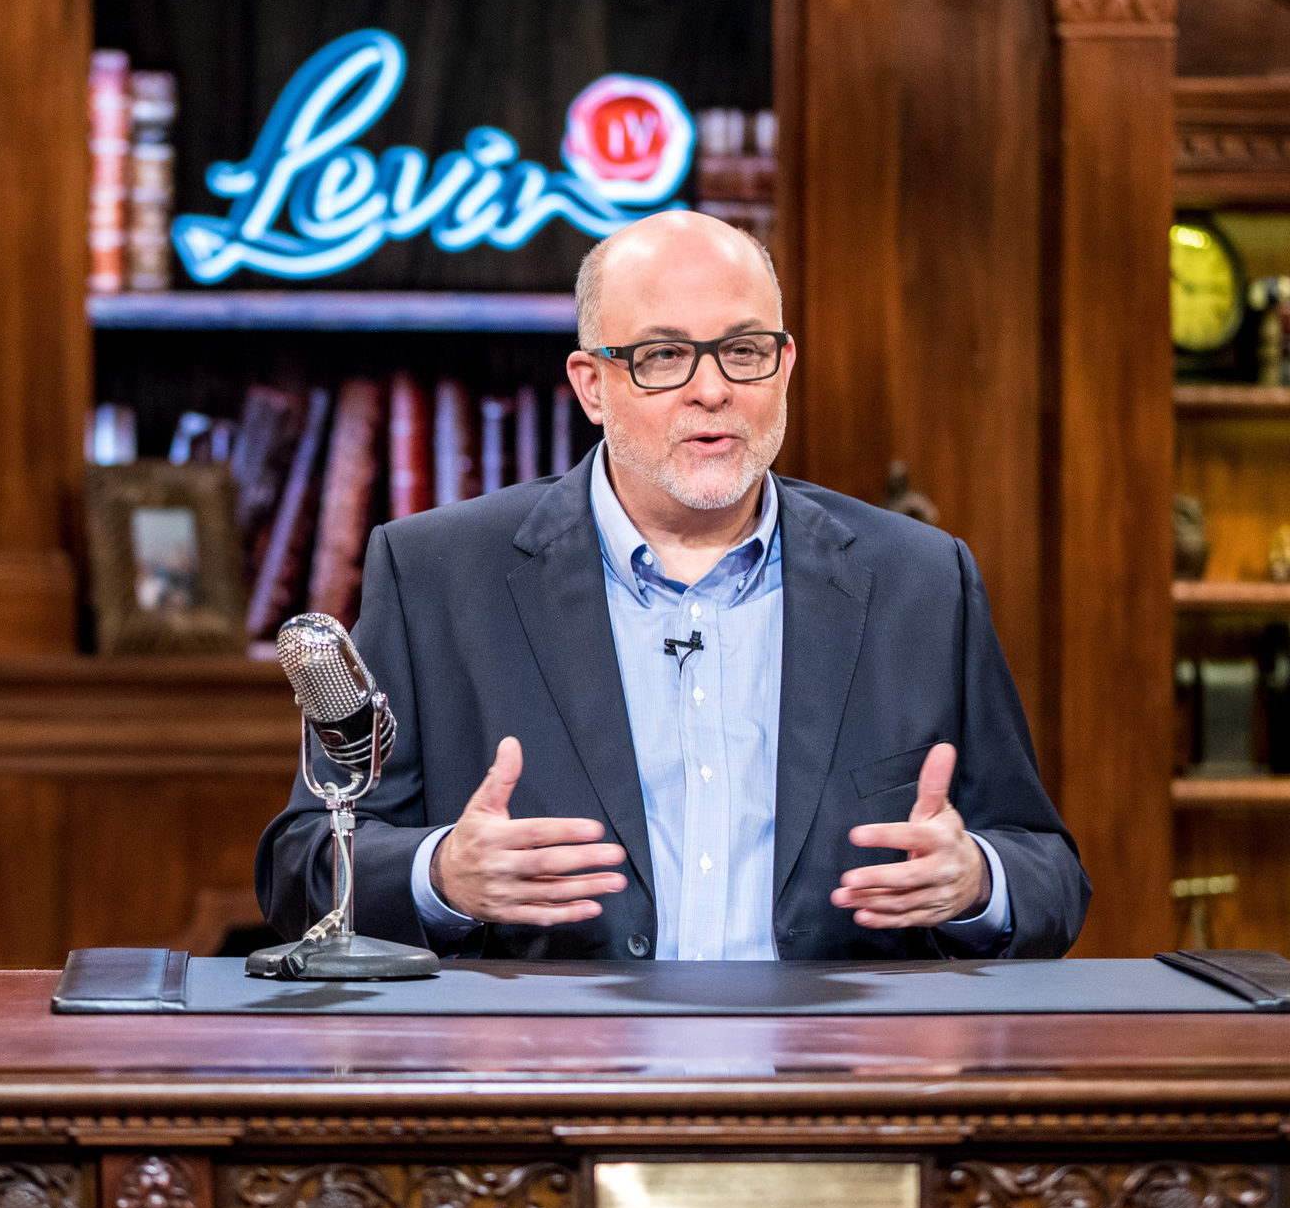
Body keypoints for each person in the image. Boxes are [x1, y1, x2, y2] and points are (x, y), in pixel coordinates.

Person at [255, 211, 1089, 961]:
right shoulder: (438, 575)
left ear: (784, 367)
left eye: (744, 351)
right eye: (663, 356)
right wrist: (442, 874)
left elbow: (1049, 873)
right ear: (592, 384)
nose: (712, 389)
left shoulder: (919, 579)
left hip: (834, 1060)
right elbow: (302, 868)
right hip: (551, 1063)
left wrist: (976, 881)